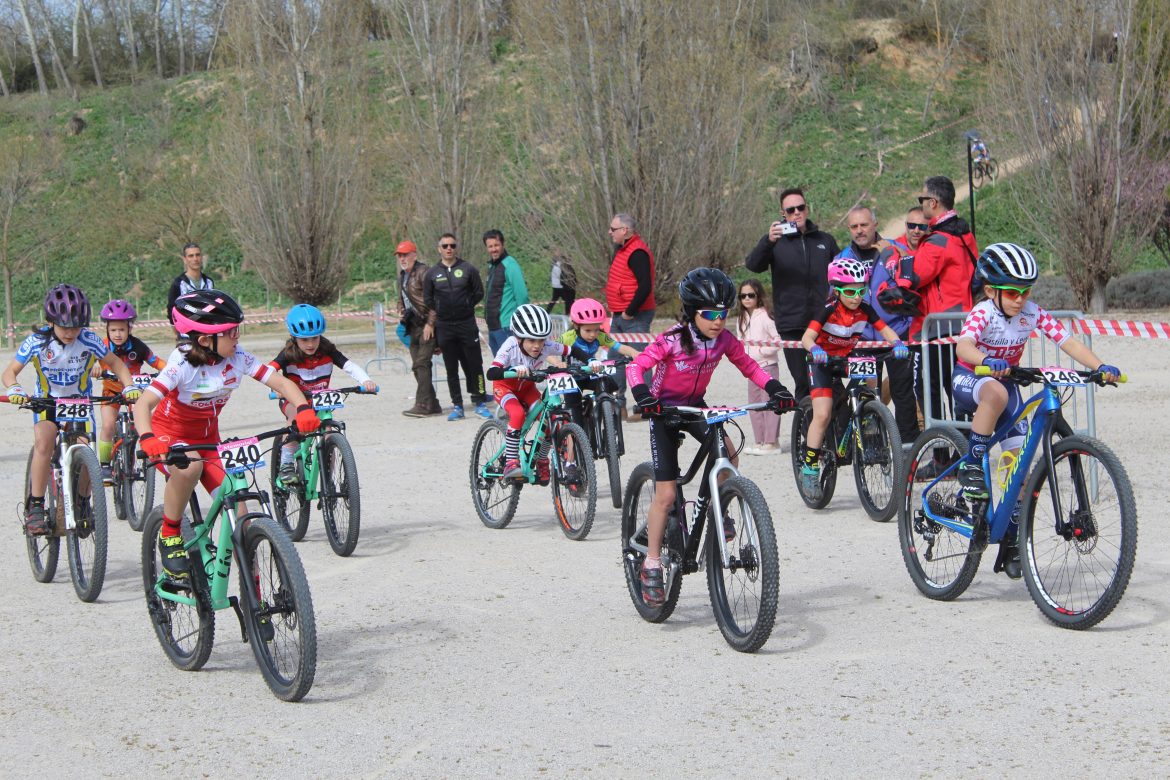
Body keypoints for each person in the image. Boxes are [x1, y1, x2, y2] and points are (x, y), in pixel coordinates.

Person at [627, 268, 795, 607]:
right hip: (664, 411)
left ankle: (722, 509)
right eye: (710, 315)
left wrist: (775, 387)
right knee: (666, 494)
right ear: (692, 312)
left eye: (724, 314)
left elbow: (749, 366)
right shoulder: (672, 338)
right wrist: (644, 395)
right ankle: (652, 563)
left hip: (696, 407)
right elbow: (636, 367)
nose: (718, 321)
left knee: (729, 453)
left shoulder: (724, 341)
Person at [951, 243, 1120, 577]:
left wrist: (1100, 366)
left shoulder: (1032, 313)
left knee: (1021, 472)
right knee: (997, 392)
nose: (1020, 299)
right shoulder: (984, 312)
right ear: (990, 290)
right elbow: (963, 346)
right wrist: (986, 360)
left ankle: (1011, 541)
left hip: (1007, 384)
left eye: (1026, 291)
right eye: (1013, 292)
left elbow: (1068, 342)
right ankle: (972, 463)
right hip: (972, 378)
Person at [134, 290, 320, 579]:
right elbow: (143, 403)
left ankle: (252, 590)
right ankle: (170, 533)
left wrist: (304, 408)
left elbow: (280, 383)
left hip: (210, 442)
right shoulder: (182, 364)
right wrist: (147, 438)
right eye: (231, 332)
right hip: (168, 436)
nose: (237, 337)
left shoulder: (237, 356)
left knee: (241, 512)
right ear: (206, 340)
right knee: (190, 465)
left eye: (237, 330)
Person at [3, 285, 141, 535]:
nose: (70, 332)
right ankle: (35, 506)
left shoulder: (89, 341)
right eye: (64, 326)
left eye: (76, 326)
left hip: (79, 404)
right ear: (50, 321)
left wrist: (129, 384)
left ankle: (82, 502)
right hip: (47, 403)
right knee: (44, 442)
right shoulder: (37, 341)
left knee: (86, 451)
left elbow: (117, 364)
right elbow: (10, 372)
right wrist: (14, 388)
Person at [799, 258, 909, 500]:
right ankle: (809, 467)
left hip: (845, 359)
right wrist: (815, 349)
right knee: (823, 413)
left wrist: (898, 344)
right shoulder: (828, 309)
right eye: (850, 291)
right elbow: (807, 338)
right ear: (837, 291)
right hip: (821, 364)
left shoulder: (865, 309)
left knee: (870, 373)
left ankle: (870, 417)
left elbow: (885, 329)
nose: (856, 296)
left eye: (862, 290)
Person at [879, 176, 979, 425]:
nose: (921, 204)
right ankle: (964, 454)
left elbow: (911, 278)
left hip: (938, 329)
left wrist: (895, 260)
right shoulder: (964, 233)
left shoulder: (938, 240)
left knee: (928, 392)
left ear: (933, 202)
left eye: (922, 199)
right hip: (964, 323)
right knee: (959, 391)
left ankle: (941, 455)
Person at [745, 187, 841, 400]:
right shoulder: (776, 242)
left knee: (831, 381)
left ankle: (834, 431)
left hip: (824, 322)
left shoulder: (825, 240)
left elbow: (843, 272)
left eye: (800, 207)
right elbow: (753, 265)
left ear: (807, 209)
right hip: (792, 324)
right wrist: (768, 241)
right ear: (783, 214)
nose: (796, 212)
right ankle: (807, 431)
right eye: (790, 210)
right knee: (804, 382)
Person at [269, 304, 377, 485]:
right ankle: (287, 463)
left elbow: (348, 366)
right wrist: (275, 388)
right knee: (294, 420)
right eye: (304, 340)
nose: (310, 344)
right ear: (294, 338)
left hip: (319, 402)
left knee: (328, 433)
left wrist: (365, 381)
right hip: (294, 400)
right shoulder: (288, 354)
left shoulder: (328, 350)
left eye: (314, 338)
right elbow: (268, 371)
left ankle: (329, 477)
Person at [839, 208, 920, 444]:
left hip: (896, 333)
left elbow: (914, 277)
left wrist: (894, 253)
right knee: (863, 391)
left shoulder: (894, 248)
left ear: (875, 224)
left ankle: (908, 445)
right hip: (861, 338)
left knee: (902, 392)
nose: (859, 231)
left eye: (864, 225)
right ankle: (870, 445)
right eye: (854, 227)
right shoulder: (843, 257)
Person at [484, 304, 574, 483]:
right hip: (505, 388)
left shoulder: (546, 346)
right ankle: (510, 461)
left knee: (548, 420)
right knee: (517, 413)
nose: (537, 346)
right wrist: (513, 369)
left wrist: (593, 361)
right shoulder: (510, 346)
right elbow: (491, 372)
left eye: (541, 340)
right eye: (532, 341)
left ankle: (541, 460)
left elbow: (570, 350)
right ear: (519, 338)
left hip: (527, 389)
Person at [423, 233, 493, 421]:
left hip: (466, 324)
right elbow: (428, 298)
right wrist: (439, 310)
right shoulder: (432, 273)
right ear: (439, 249)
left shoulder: (468, 269)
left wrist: (467, 304)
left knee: (474, 364)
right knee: (451, 368)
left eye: (452, 245)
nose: (449, 249)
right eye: (445, 245)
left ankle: (479, 402)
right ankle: (457, 406)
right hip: (445, 326)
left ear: (456, 248)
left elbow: (479, 291)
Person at [95, 299, 167, 482]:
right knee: (108, 425)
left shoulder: (138, 346)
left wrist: (171, 372)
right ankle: (104, 466)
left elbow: (157, 362)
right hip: (111, 392)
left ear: (129, 329)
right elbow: (87, 363)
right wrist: (94, 367)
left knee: (142, 422)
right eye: (113, 330)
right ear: (107, 330)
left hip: (135, 393)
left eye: (122, 330)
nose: (117, 334)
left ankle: (150, 456)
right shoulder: (100, 346)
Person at [559, 297, 640, 431]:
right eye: (588, 331)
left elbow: (619, 347)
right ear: (576, 326)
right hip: (572, 380)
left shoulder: (600, 336)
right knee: (575, 419)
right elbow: (549, 351)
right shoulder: (568, 337)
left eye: (596, 330)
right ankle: (573, 448)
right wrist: (557, 362)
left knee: (611, 384)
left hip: (589, 375)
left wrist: (635, 353)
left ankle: (603, 412)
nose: (593, 335)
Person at [604, 213, 656, 414]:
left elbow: (645, 286)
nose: (610, 232)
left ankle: (646, 403)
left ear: (624, 231)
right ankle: (617, 399)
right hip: (620, 314)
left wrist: (629, 311)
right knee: (614, 356)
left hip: (634, 316)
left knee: (639, 359)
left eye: (613, 229)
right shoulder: (623, 249)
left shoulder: (637, 252)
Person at [735, 279, 783, 455]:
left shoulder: (766, 316)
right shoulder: (741, 318)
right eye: (743, 296)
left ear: (758, 296)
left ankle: (772, 442)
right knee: (754, 405)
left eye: (750, 295)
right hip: (750, 369)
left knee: (770, 404)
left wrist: (762, 351)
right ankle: (759, 440)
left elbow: (778, 340)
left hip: (767, 365)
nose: (746, 299)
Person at [396, 240, 442, 417]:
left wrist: (431, 324)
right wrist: (400, 308)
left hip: (426, 325)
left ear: (414, 255)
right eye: (400, 255)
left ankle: (423, 404)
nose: (402, 258)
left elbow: (434, 300)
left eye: (405, 254)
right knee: (417, 365)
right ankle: (433, 403)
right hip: (412, 324)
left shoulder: (424, 272)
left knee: (421, 363)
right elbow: (403, 296)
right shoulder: (403, 275)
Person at [482, 229, 530, 354]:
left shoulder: (510, 264)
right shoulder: (492, 266)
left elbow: (522, 296)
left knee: (511, 369)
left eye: (496, 245)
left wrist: (521, 323)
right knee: (500, 370)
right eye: (490, 246)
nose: (493, 249)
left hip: (507, 327)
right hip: (493, 327)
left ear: (503, 244)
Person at [166, 243, 215, 324]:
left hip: (207, 329)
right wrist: (176, 329)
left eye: (197, 255)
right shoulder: (178, 283)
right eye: (191, 256)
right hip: (186, 331)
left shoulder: (209, 282)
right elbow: (171, 308)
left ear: (201, 257)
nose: (195, 259)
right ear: (185, 259)